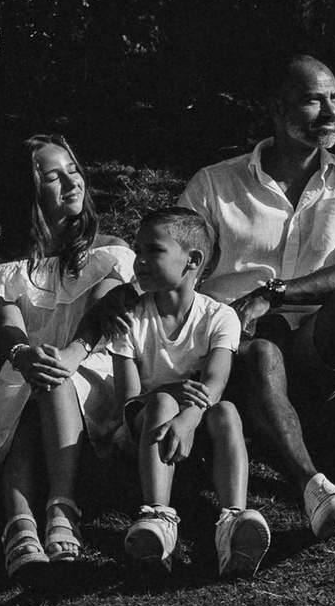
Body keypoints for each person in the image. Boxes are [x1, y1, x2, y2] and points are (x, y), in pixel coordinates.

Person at [180, 54, 335, 538]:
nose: (331, 111)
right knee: (260, 351)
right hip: (236, 352)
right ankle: (313, 487)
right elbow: (178, 267)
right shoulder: (214, 184)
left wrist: (273, 294)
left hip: (319, 350)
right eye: (313, 100)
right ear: (278, 109)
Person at [0, 132, 134, 579]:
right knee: (28, 400)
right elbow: (8, 325)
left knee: (54, 380)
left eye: (74, 171)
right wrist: (23, 355)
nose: (73, 183)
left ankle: (62, 505)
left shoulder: (108, 249)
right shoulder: (6, 265)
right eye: (55, 178)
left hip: (92, 362)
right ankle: (20, 524)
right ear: (30, 192)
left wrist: (71, 353)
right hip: (28, 367)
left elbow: (101, 313)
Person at [99, 204, 268, 577]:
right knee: (161, 401)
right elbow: (128, 401)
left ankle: (232, 521)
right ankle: (157, 516)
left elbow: (216, 383)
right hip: (142, 435)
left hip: (197, 434)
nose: (140, 261)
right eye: (137, 251)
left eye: (153, 251)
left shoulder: (219, 317)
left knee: (226, 412)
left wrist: (189, 418)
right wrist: (172, 395)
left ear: (193, 260)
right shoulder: (131, 319)